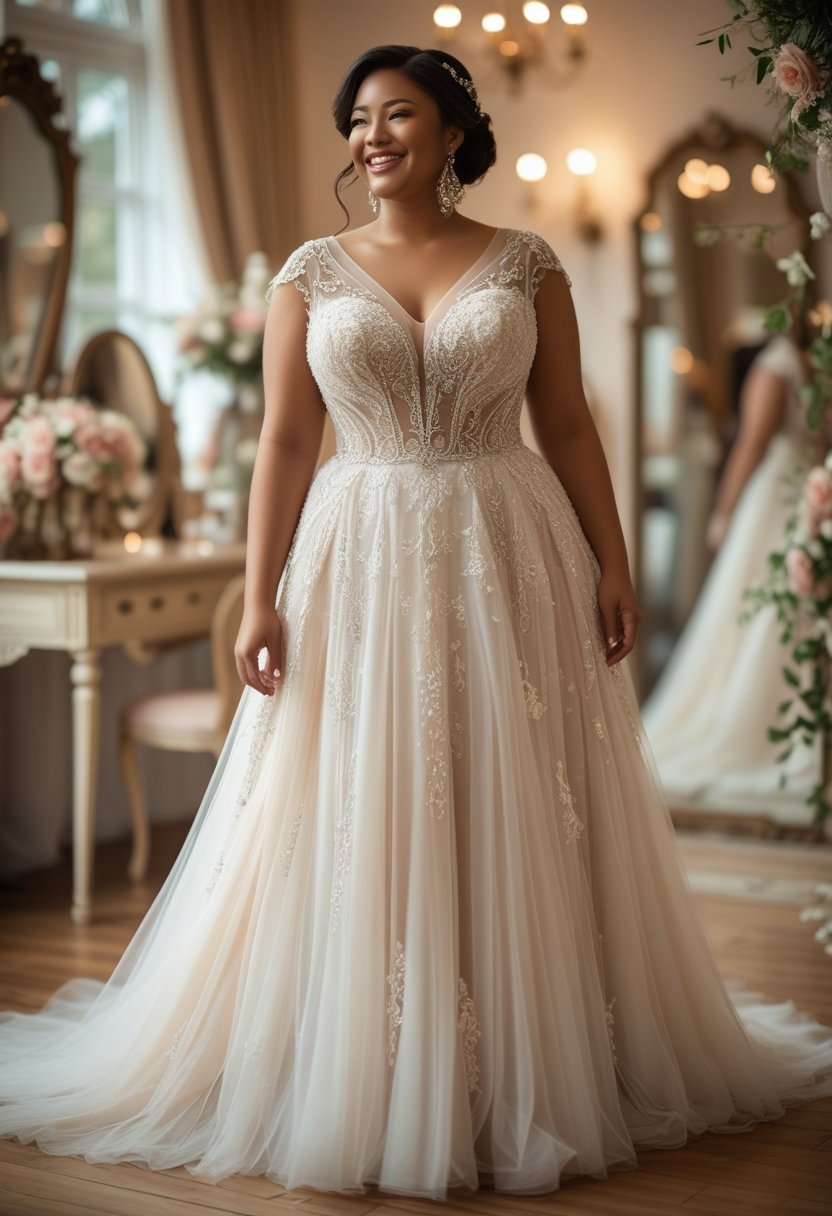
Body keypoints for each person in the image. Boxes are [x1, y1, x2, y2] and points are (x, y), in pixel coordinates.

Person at [1, 45, 831, 1202]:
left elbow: (571, 427)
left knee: (509, 782)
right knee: (366, 785)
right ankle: (368, 1052)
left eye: (397, 114)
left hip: (511, 544)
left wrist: (613, 561)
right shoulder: (306, 272)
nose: (369, 134)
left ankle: (532, 1054)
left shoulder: (529, 261)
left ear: (452, 133)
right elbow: (288, 442)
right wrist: (258, 590)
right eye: (356, 118)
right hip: (358, 550)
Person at [642, 332, 827, 824]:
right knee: (789, 609)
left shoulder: (777, 365)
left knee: (763, 612)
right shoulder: (816, 367)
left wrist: (723, 511)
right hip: (808, 492)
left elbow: (750, 442)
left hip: (776, 497)